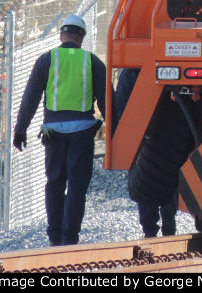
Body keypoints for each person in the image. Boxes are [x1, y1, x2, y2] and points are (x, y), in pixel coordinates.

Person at [12, 13, 108, 246]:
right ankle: (70, 238)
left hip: (52, 133)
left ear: (61, 34)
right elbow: (107, 102)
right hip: (83, 133)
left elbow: (31, 97)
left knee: (54, 183)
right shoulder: (92, 62)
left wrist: (20, 129)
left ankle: (54, 237)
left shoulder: (47, 60)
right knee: (77, 187)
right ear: (82, 37)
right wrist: (117, 133)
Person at [114, 68, 177, 238]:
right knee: (168, 174)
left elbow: (120, 103)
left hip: (141, 135)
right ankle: (168, 220)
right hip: (167, 134)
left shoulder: (130, 72)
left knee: (143, 178)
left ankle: (149, 228)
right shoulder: (169, 69)